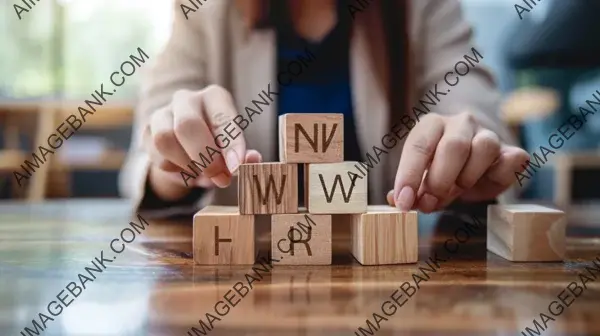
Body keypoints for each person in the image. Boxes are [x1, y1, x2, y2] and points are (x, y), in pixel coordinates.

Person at [119, 0, 529, 216]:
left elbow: (470, 99)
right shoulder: (204, 8)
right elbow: (146, 157)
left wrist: (468, 145)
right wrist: (172, 166)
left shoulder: (423, 6)